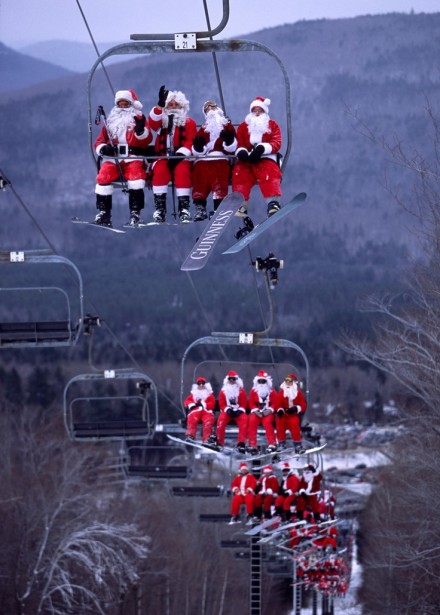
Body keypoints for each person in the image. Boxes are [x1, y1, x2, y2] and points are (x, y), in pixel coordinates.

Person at [94, 89, 152, 227]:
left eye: (126, 104)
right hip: (113, 159)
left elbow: (147, 139)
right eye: (120, 104)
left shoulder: (139, 119)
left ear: (131, 105)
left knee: (136, 177)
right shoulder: (110, 122)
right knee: (103, 176)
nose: (123, 107)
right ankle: (104, 213)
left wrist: (140, 131)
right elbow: (99, 141)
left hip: (133, 157)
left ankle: (135, 212)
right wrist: (104, 148)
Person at [148, 85, 197, 223]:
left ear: (182, 107)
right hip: (163, 156)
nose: (173, 106)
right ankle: (160, 208)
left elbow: (190, 141)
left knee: (182, 171)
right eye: (170, 104)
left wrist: (180, 155)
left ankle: (184, 208)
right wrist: (159, 106)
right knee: (160, 170)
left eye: (177, 104)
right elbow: (152, 123)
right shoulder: (162, 122)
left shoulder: (189, 123)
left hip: (182, 158)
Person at [232, 96, 283, 219]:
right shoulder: (244, 127)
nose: (257, 112)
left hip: (266, 157)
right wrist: (242, 152)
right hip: (248, 158)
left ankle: (273, 203)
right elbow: (240, 143)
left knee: (268, 173)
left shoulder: (272, 125)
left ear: (264, 111)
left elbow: (276, 142)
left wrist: (262, 149)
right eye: (254, 110)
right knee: (240, 173)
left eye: (260, 110)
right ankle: (241, 203)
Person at [191, 100, 236, 221]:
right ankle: (200, 205)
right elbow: (196, 148)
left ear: (218, 109)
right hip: (205, 158)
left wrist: (229, 142)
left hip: (220, 156)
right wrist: (199, 148)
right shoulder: (204, 129)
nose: (210, 109)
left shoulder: (227, 125)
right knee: (199, 173)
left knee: (219, 175)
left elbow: (233, 148)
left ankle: (219, 204)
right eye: (207, 108)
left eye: (212, 107)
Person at [216, 370, 248, 453]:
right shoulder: (223, 391)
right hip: (227, 411)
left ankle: (241, 443)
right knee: (221, 421)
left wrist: (240, 410)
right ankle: (219, 442)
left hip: (238, 411)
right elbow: (221, 403)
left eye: (233, 379)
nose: (231, 381)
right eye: (230, 379)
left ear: (236, 380)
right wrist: (227, 409)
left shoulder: (241, 391)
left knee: (244, 420)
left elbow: (243, 403)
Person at [247, 370, 278, 454]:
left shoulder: (272, 392)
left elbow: (275, 403)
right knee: (252, 421)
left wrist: (269, 410)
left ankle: (272, 443)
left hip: (267, 412)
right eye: (259, 381)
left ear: (267, 382)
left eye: (263, 381)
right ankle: (252, 444)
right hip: (257, 412)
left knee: (268, 423)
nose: (261, 383)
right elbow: (251, 402)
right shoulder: (254, 391)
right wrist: (256, 410)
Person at [276, 373, 308, 453]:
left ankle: (297, 444)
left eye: (289, 381)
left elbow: (303, 405)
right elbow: (278, 404)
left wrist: (296, 409)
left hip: (293, 414)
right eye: (286, 380)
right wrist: (280, 410)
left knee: (294, 424)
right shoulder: (282, 393)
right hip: (284, 414)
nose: (287, 382)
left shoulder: (298, 393)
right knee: (280, 422)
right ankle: (281, 443)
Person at [183, 376, 216, 443]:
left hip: (206, 411)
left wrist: (204, 405)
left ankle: (207, 439)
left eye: (202, 384)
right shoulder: (194, 394)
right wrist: (192, 405)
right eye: (199, 384)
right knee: (192, 418)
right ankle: (190, 435)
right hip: (196, 410)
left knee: (208, 421)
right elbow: (187, 401)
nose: (201, 385)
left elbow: (212, 403)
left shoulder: (209, 394)